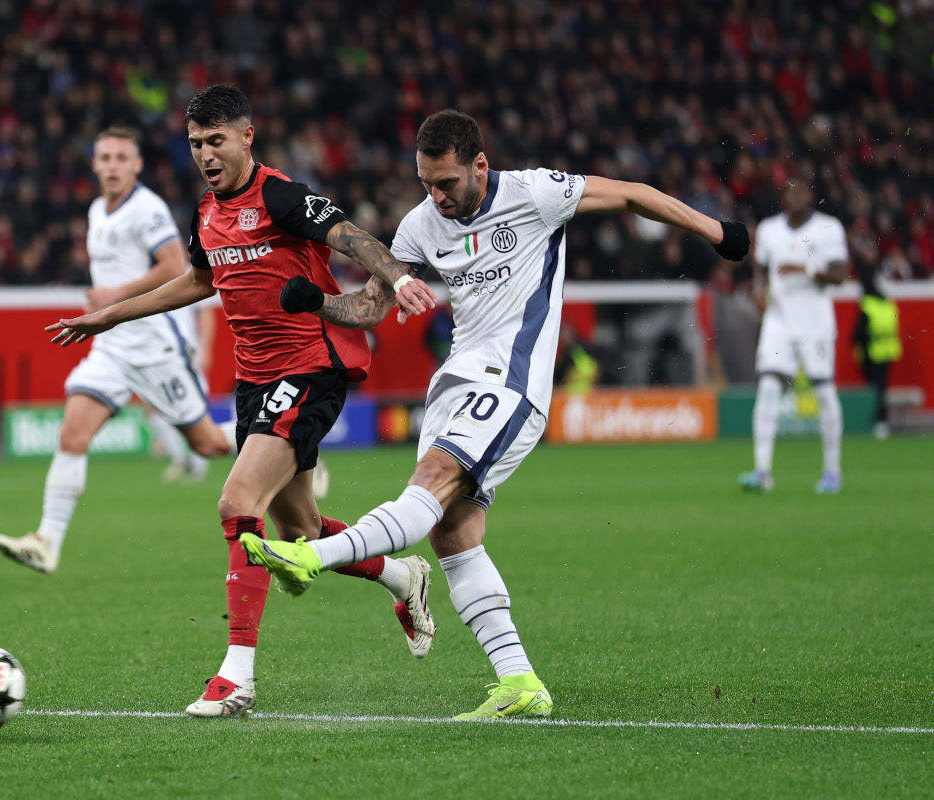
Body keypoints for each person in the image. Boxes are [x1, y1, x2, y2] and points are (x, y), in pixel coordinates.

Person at [239, 109, 750, 720]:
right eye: (426, 183)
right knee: (453, 532)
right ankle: (520, 683)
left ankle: (313, 557)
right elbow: (372, 308)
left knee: (430, 480)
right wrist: (317, 303)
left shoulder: (536, 193)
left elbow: (633, 194)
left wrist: (716, 232)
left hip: (512, 381)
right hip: (456, 382)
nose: (436, 195)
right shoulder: (420, 225)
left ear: (480, 165)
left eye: (447, 182)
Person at [45, 85, 441, 718]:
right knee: (299, 532)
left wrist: (397, 275)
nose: (205, 154)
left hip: (311, 366)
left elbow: (349, 236)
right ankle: (402, 576)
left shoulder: (280, 195)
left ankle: (237, 678)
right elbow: (198, 281)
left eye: (216, 140)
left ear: (246, 137)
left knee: (236, 503)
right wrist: (109, 315)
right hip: (253, 382)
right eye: (195, 143)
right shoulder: (206, 212)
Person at [0, 127, 239, 574]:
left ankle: (284, 435)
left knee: (209, 444)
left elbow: (175, 267)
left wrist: (114, 296)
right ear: (94, 163)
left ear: (137, 165)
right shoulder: (96, 210)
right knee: (71, 435)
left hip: (154, 347)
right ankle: (47, 541)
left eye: (121, 158)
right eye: (105, 157)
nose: (112, 166)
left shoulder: (147, 209)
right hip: (111, 348)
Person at [739, 182, 849, 494]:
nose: (794, 196)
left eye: (800, 191)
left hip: (815, 322)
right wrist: (759, 290)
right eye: (789, 192)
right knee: (768, 387)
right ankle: (762, 471)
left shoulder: (829, 227)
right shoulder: (769, 229)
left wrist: (806, 269)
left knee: (824, 391)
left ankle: (832, 472)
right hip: (779, 321)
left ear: (811, 196)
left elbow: (840, 274)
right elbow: (761, 268)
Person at [852, 265, 901, 439]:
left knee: (875, 389)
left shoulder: (868, 305)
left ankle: (877, 421)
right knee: (882, 387)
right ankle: (882, 421)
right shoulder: (888, 303)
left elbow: (858, 333)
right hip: (889, 349)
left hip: (872, 352)